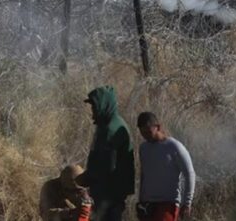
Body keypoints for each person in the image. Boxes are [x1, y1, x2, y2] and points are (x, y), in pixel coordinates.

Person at [76, 85, 134, 221]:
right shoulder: (106, 126)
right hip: (105, 193)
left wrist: (87, 178)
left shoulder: (111, 130)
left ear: (104, 105)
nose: (93, 111)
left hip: (109, 196)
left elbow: (106, 166)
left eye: (94, 107)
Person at [136, 112, 196, 221]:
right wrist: (141, 200)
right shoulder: (143, 148)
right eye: (142, 133)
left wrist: (187, 203)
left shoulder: (174, 147)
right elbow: (144, 174)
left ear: (158, 127)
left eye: (148, 131)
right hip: (147, 206)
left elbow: (189, 174)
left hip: (168, 205)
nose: (145, 135)